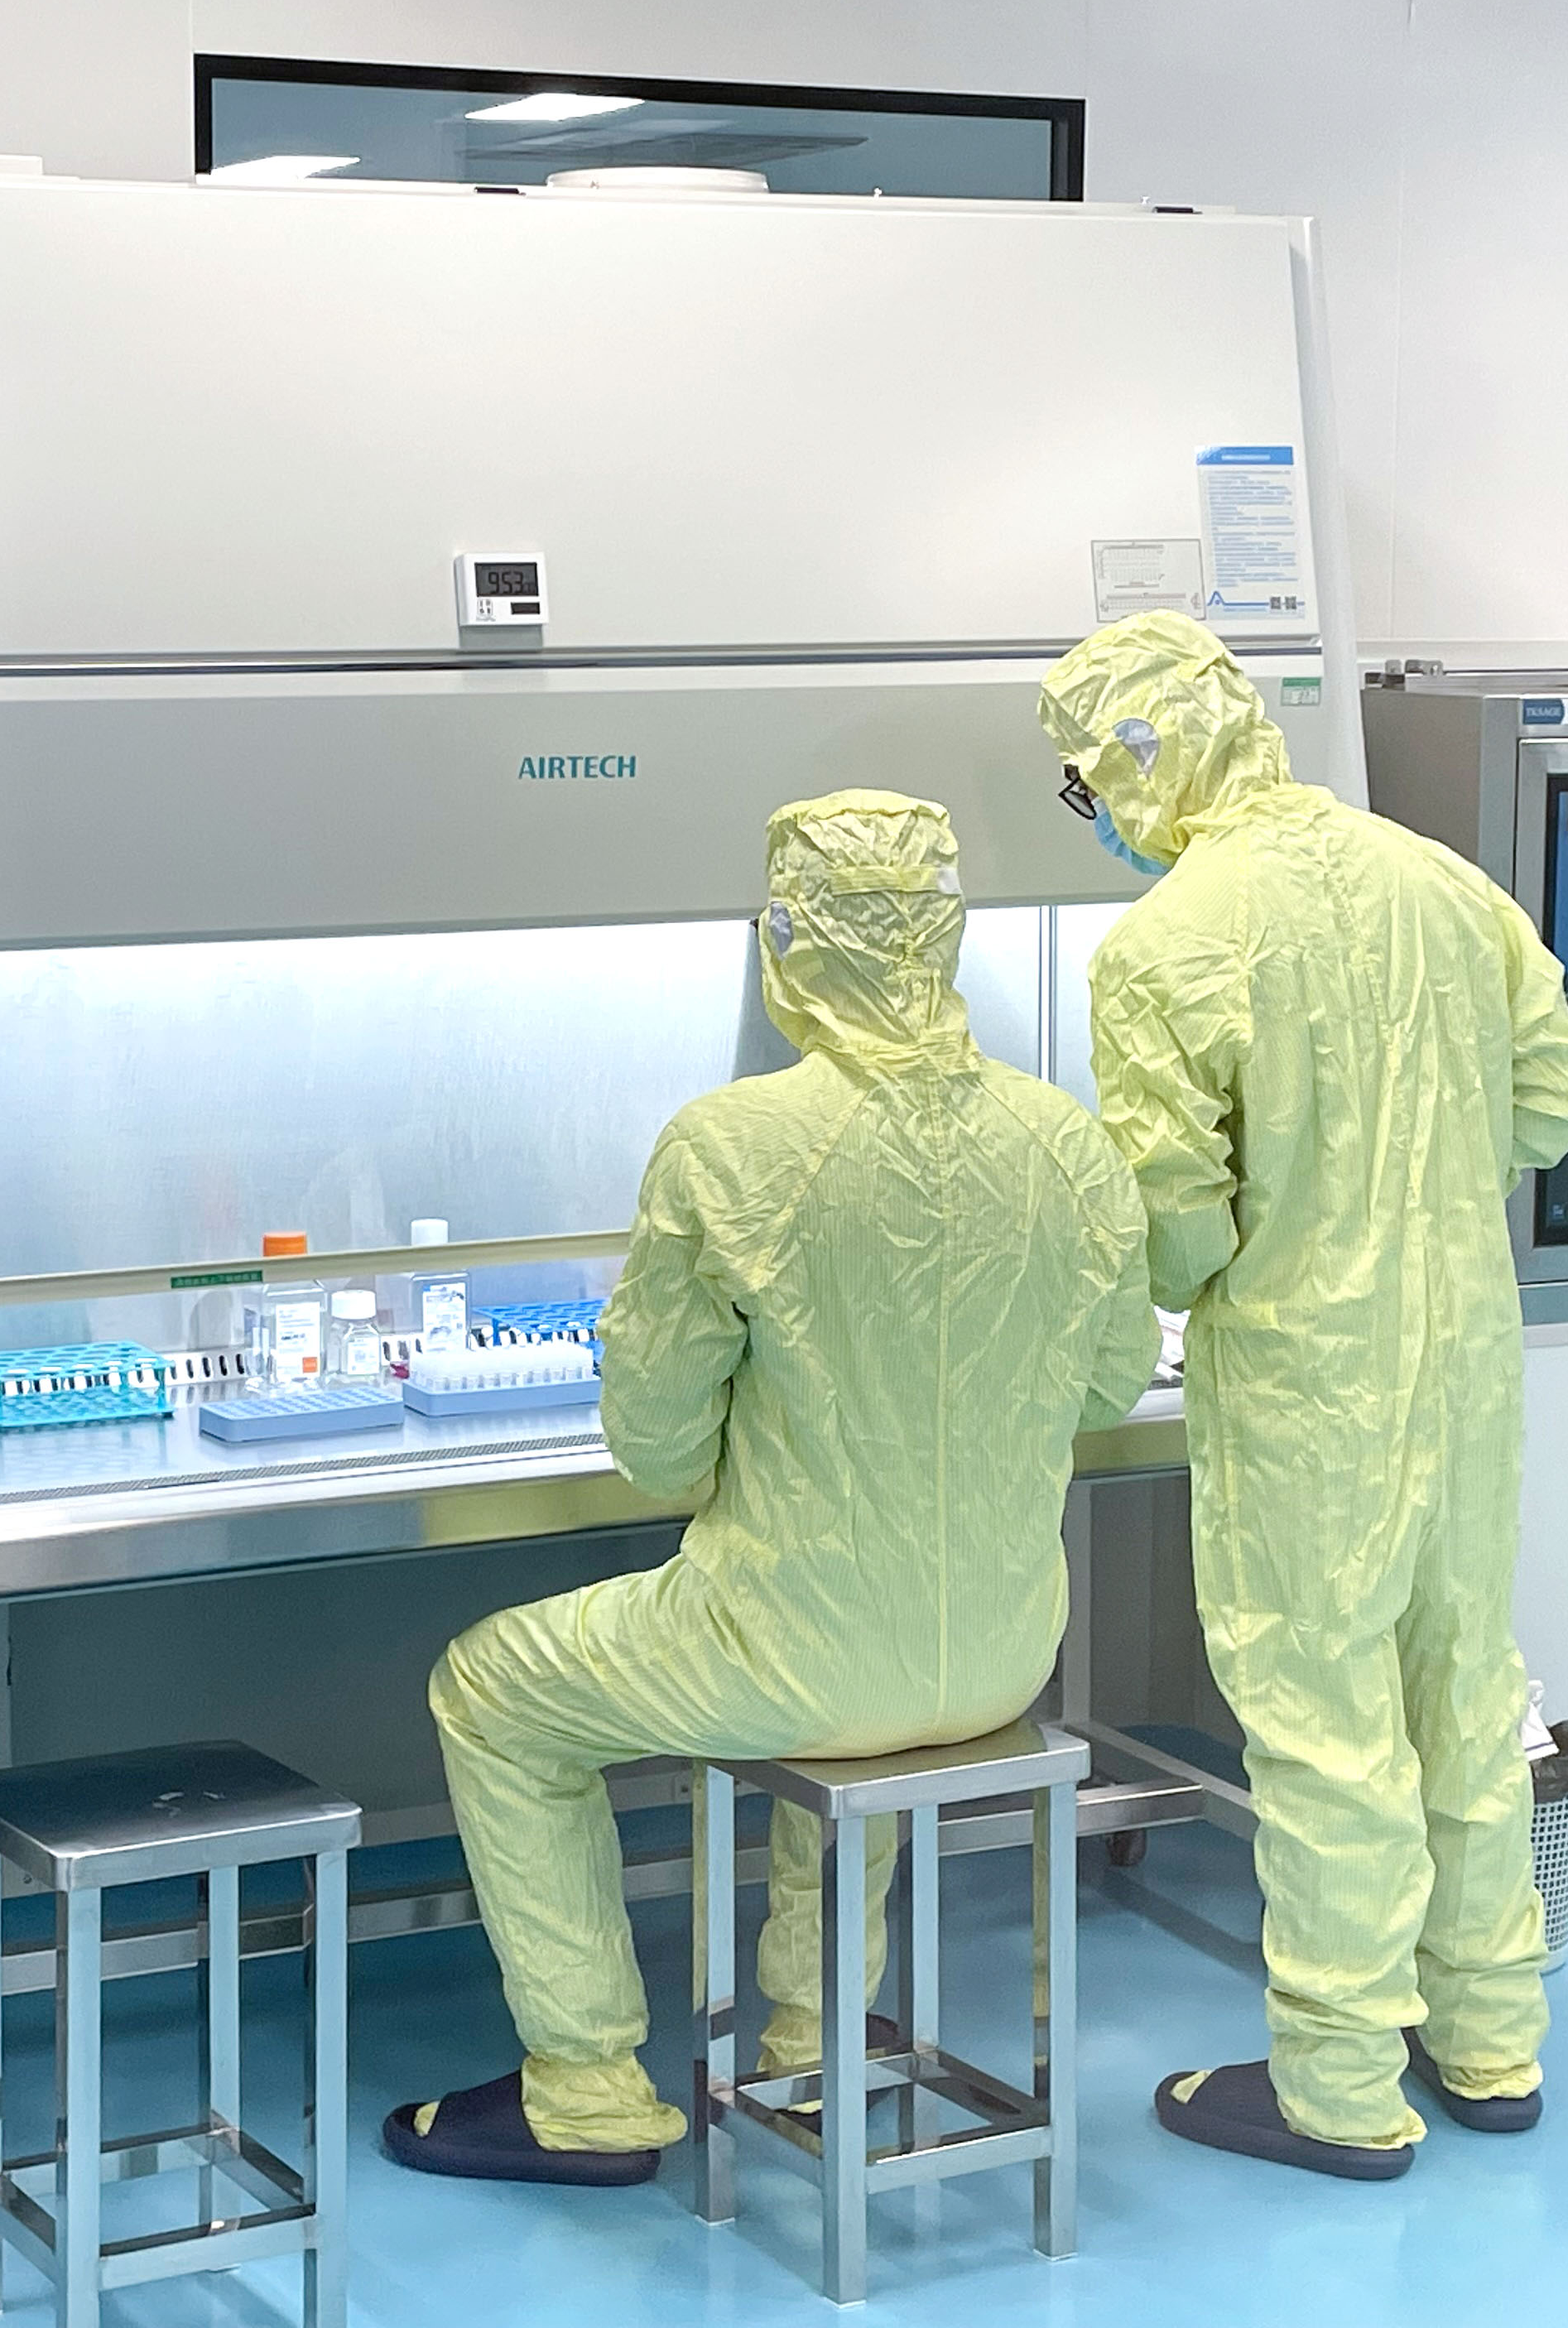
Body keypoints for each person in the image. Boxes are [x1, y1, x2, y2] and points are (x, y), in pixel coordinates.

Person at [385, 788, 1159, 2186]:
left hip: (797, 1656)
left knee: (491, 1693)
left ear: (786, 941)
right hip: (1001, 1655)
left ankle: (587, 2086)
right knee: (857, 1678)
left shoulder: (731, 1146)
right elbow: (1105, 1388)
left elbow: (655, 1445)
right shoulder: (1068, 1141)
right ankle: (811, 2038)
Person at [1037, 612, 1568, 2181]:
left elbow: (1176, 1230)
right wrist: (1419, 1178)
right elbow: (1554, 1097)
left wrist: (1275, 1218)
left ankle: (1342, 2085)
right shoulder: (1440, 881)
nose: (1099, 815)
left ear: (1142, 757)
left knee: (1324, 1720)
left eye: (1089, 782)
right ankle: (1489, 2042)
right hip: (1463, 1368)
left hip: (1306, 1390)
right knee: (1463, 1694)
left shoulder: (1163, 946)